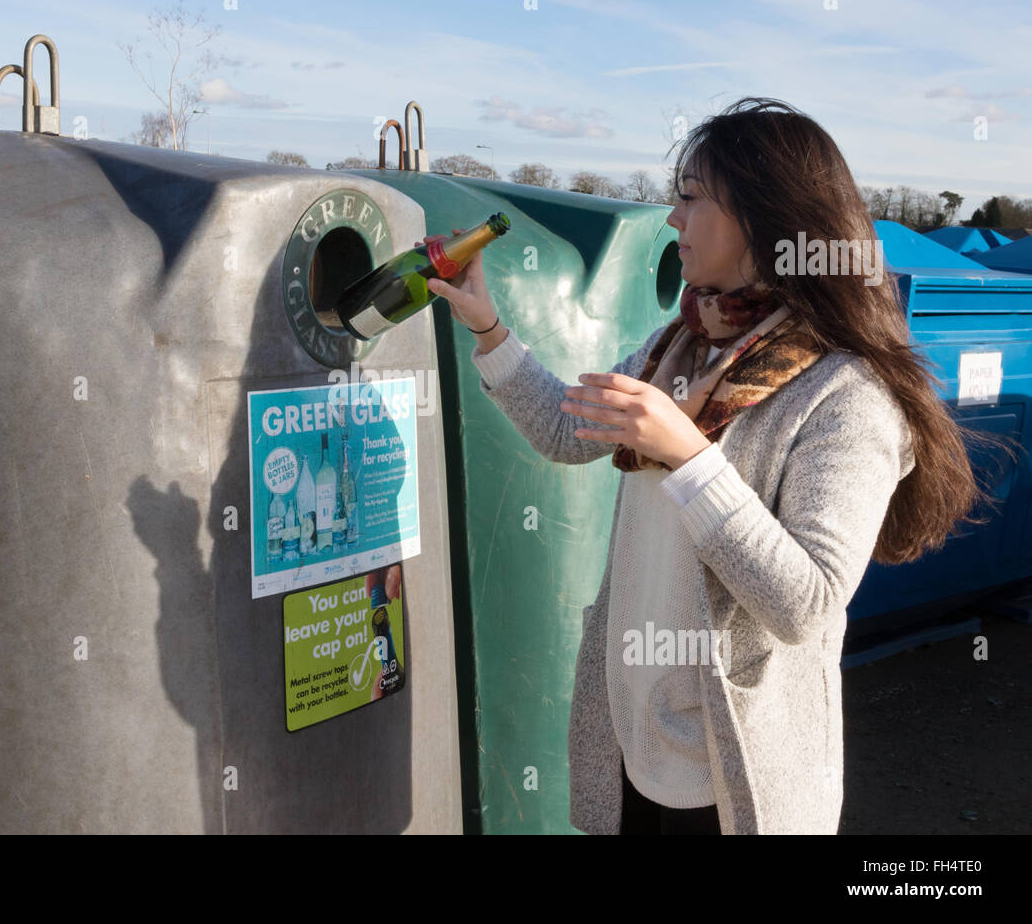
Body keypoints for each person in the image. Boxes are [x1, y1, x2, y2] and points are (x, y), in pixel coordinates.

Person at [423, 97, 1004, 834]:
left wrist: (689, 454)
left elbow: (808, 605)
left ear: (765, 220)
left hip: (731, 781)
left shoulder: (847, 394)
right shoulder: (682, 349)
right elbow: (566, 433)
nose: (671, 220)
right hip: (631, 752)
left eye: (691, 198)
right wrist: (487, 324)